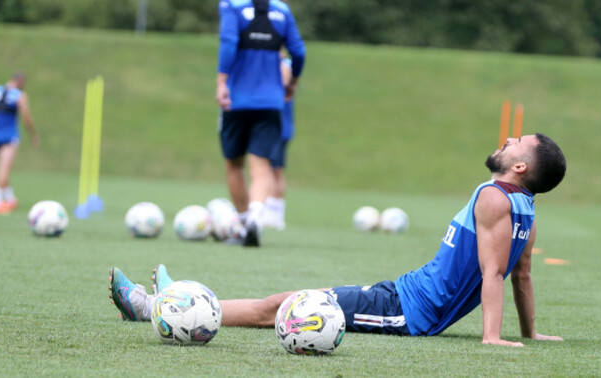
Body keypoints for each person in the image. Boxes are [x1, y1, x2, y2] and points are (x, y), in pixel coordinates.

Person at [109, 133, 566, 347]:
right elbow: (520, 274)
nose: (507, 139)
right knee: (283, 301)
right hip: (404, 294)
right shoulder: (525, 206)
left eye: (517, 143)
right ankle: (169, 301)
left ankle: (156, 307)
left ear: (521, 168)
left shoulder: (492, 198)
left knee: (280, 306)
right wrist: (529, 332)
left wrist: (491, 338)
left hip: (407, 311)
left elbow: (493, 273)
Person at [215, 0, 306, 246]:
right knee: (262, 166)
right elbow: (298, 52)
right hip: (270, 102)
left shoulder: (231, 6)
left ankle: (245, 225)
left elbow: (229, 42)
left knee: (234, 165)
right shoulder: (282, 10)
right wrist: (293, 81)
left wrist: (222, 81)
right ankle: (256, 216)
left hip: (236, 100)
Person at [0, 72, 39, 214]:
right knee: (4, 169)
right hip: (9, 137)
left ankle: (10, 198)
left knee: (2, 168)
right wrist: (33, 134)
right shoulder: (20, 95)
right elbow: (26, 116)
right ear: (21, 82)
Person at [262, 54, 295, 230]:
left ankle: (274, 213)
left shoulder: (284, 65)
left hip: (278, 128)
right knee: (272, 170)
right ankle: (274, 212)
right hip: (279, 127)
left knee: (272, 170)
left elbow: (282, 84)